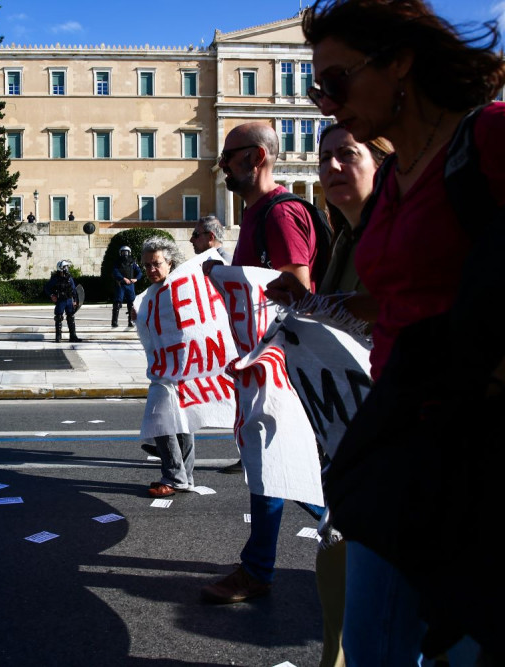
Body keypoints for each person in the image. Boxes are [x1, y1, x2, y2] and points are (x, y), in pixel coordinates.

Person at [302, 0, 505, 662]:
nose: (326, 106)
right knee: (373, 643)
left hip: (485, 451)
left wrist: (488, 387)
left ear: (399, 62)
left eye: (335, 83)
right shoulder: (391, 173)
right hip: (401, 445)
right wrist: (322, 310)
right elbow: (397, 299)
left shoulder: (499, 137)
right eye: (316, 89)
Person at [266, 124, 392, 667]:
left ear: (382, 163)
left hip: (395, 431)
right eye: (324, 158)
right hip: (353, 432)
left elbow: (398, 309)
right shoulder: (346, 235)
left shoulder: (399, 234)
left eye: (347, 155)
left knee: (379, 585)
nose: (331, 168)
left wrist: (335, 304)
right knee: (337, 549)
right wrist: (307, 301)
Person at [200, 121, 318, 605]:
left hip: (281, 365)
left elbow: (298, 287)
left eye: (228, 156)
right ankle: (261, 566)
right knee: (274, 463)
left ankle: (258, 570)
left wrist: (231, 277)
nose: (221, 165)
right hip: (265, 362)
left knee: (273, 462)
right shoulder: (255, 215)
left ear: (256, 157)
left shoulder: (279, 215)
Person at [138, 236, 195, 497]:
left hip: (178, 367)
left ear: (169, 262)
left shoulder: (178, 287)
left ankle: (174, 476)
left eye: (156, 263)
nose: (151, 269)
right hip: (163, 368)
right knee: (179, 422)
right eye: (147, 265)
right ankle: (184, 476)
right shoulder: (152, 292)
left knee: (161, 421)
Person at [44, 260, 81, 343]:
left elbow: (74, 289)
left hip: (68, 300)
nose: (67, 268)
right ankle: (58, 337)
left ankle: (73, 336)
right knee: (58, 317)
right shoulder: (55, 278)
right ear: (61, 268)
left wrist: (75, 300)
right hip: (60, 300)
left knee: (71, 317)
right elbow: (47, 288)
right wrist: (51, 295)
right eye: (65, 267)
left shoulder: (69, 278)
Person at [110, 246, 141, 328]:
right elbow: (115, 272)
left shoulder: (133, 262)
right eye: (123, 252)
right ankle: (114, 321)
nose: (125, 254)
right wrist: (123, 278)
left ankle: (131, 321)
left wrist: (136, 279)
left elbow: (139, 272)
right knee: (117, 303)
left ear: (129, 252)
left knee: (131, 304)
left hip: (130, 285)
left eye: (126, 252)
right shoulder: (117, 262)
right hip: (121, 285)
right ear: (120, 253)